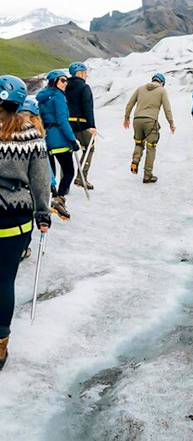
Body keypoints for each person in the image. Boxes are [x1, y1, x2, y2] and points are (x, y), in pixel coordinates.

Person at [0, 75, 51, 370]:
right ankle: (0, 344)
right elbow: (41, 179)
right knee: (3, 280)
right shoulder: (31, 133)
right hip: (15, 219)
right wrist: (43, 213)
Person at [37, 70, 80, 219]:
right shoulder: (58, 97)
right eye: (62, 80)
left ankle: (49, 199)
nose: (65, 83)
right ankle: (59, 199)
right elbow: (62, 120)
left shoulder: (43, 97)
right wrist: (72, 140)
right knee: (69, 172)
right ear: (54, 81)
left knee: (51, 174)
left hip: (47, 138)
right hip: (60, 138)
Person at [123, 73, 176, 183]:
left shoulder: (140, 89)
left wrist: (126, 118)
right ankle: (147, 175)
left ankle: (135, 160)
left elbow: (129, 104)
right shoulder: (162, 91)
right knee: (151, 147)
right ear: (161, 83)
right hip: (150, 122)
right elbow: (167, 109)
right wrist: (171, 123)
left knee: (138, 143)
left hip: (137, 120)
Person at [65, 62, 97, 190]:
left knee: (67, 152)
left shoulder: (64, 86)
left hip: (67, 124)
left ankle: (64, 183)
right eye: (85, 72)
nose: (87, 75)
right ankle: (81, 177)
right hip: (82, 124)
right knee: (89, 148)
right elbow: (88, 107)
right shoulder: (84, 87)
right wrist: (92, 125)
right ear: (80, 73)